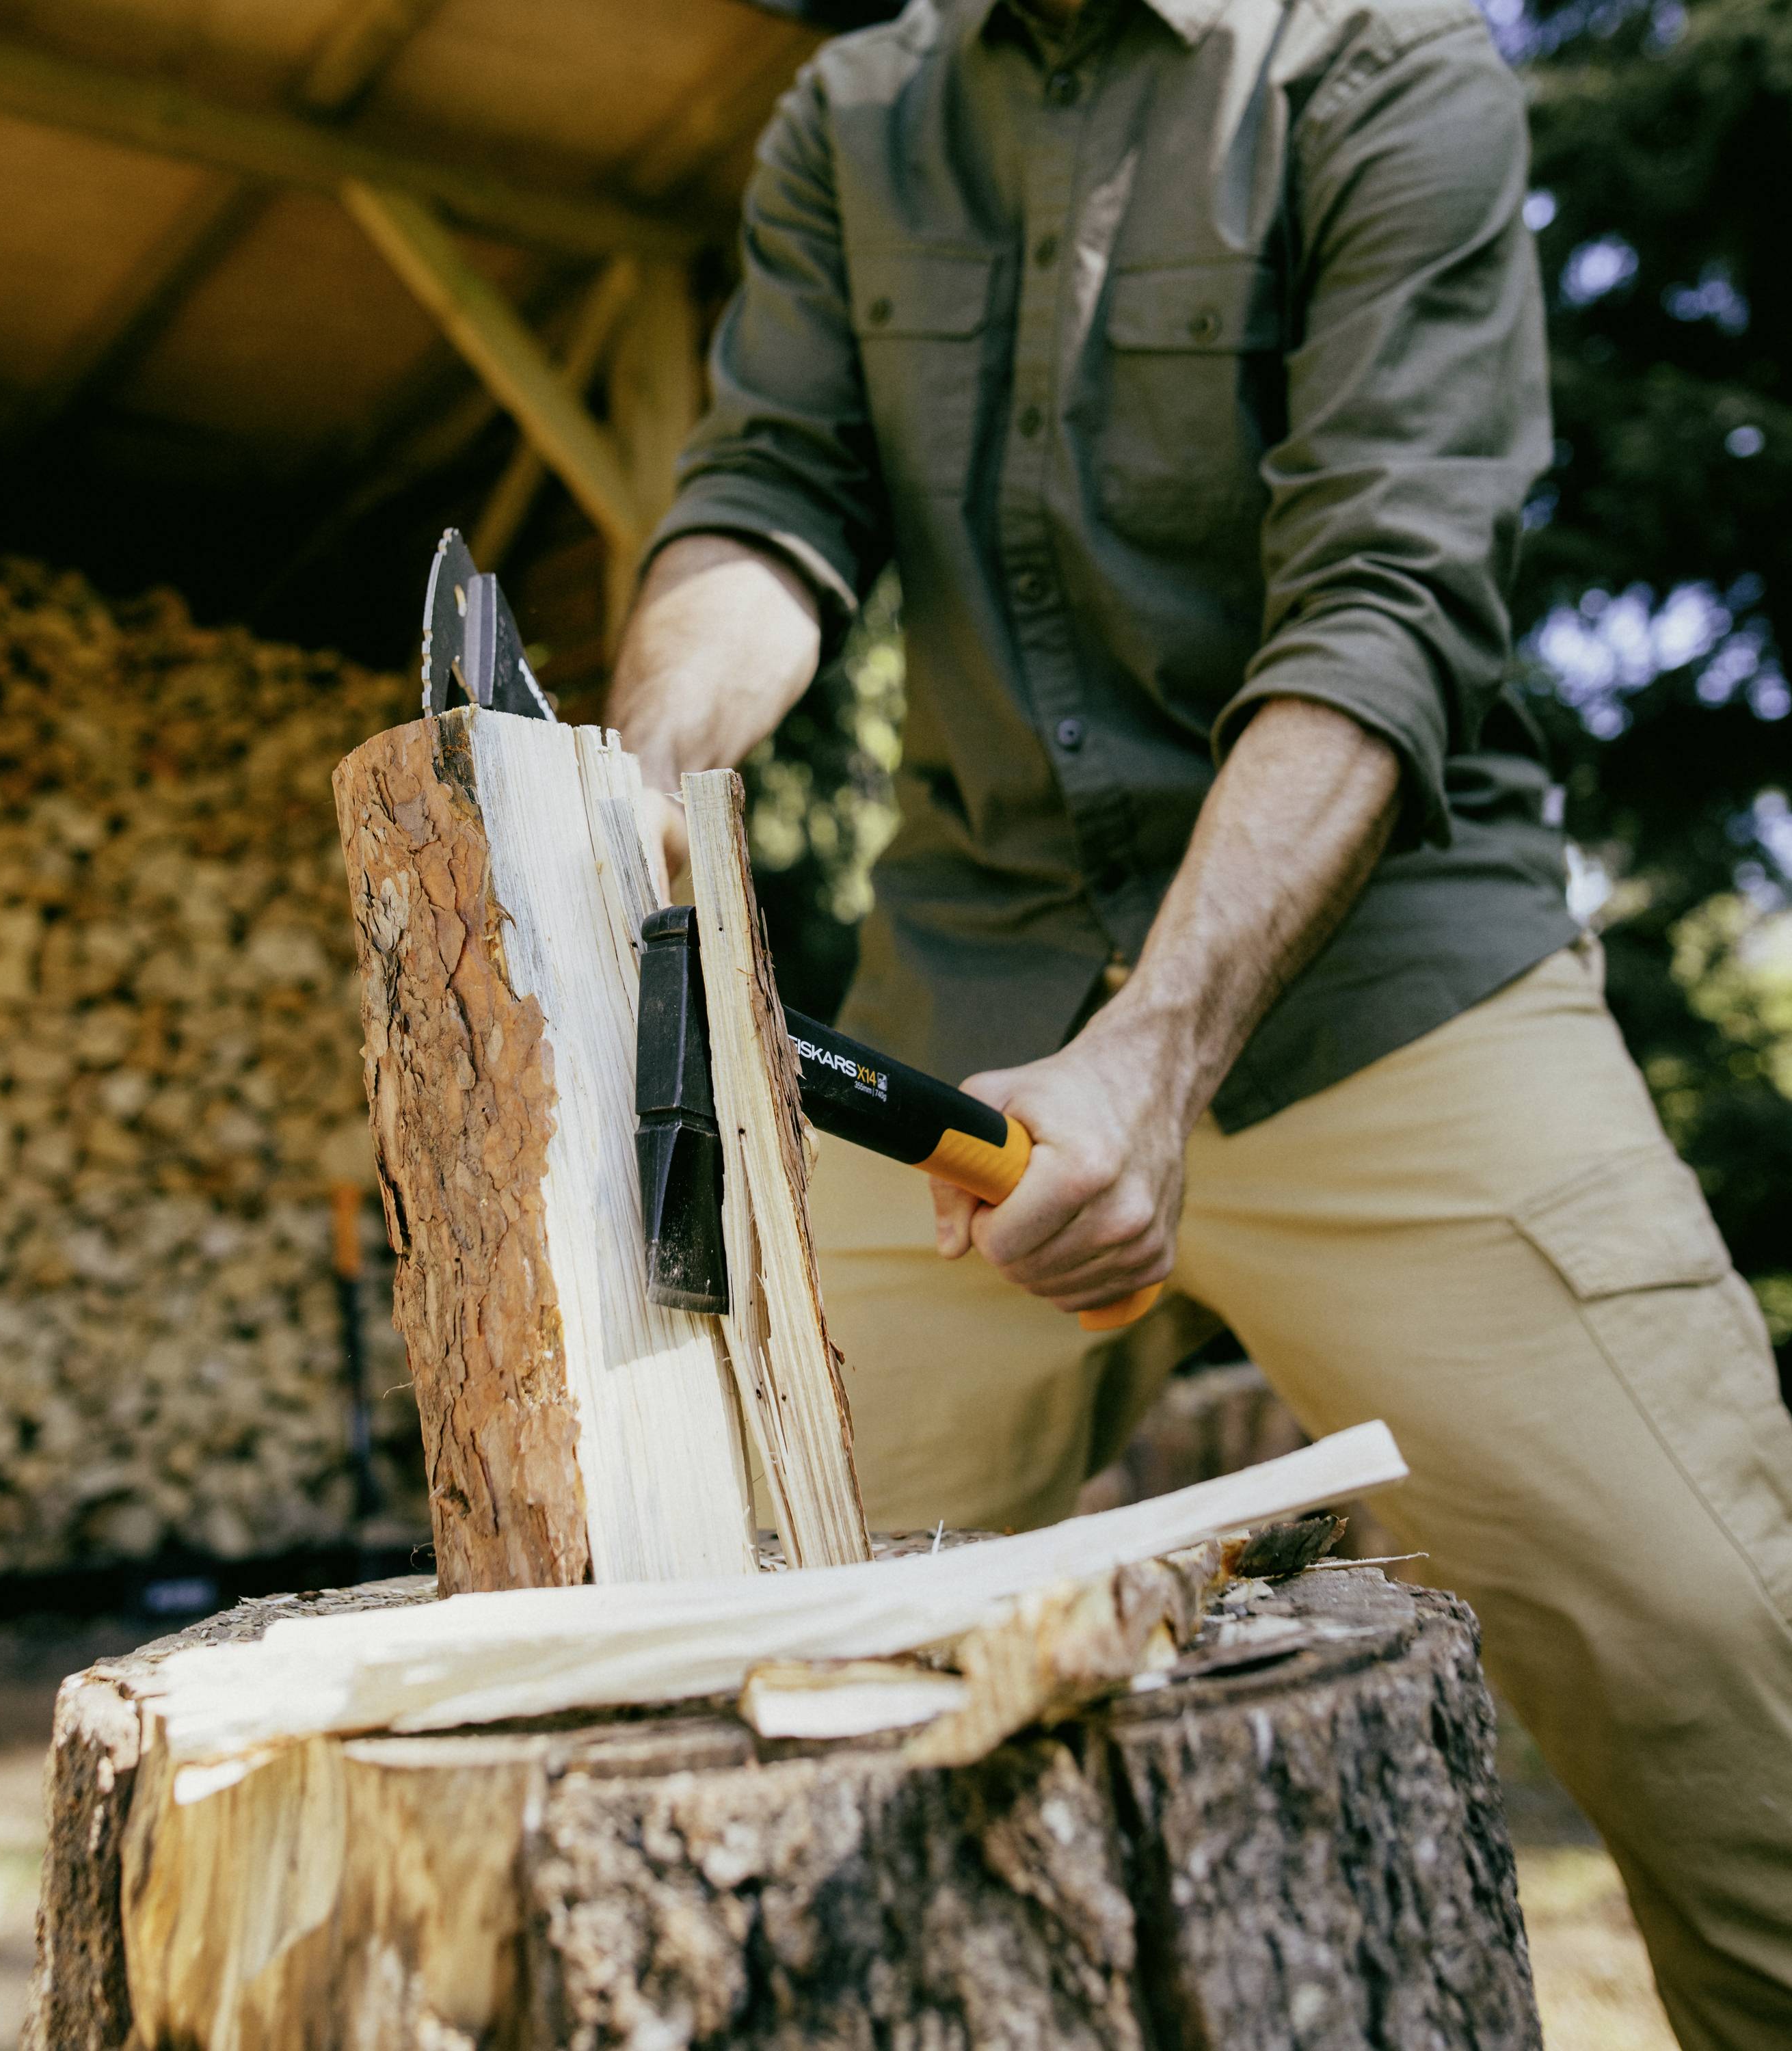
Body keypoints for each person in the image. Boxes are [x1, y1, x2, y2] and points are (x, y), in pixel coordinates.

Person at [605, 0, 1792, 2042]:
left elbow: (1392, 591)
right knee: (690, 1669)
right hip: (963, 1037)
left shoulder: (1391, 71)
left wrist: (1161, 1047)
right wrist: (625, 786)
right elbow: (772, 499)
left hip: (1400, 1011)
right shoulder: (855, 116)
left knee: (1720, 1666)